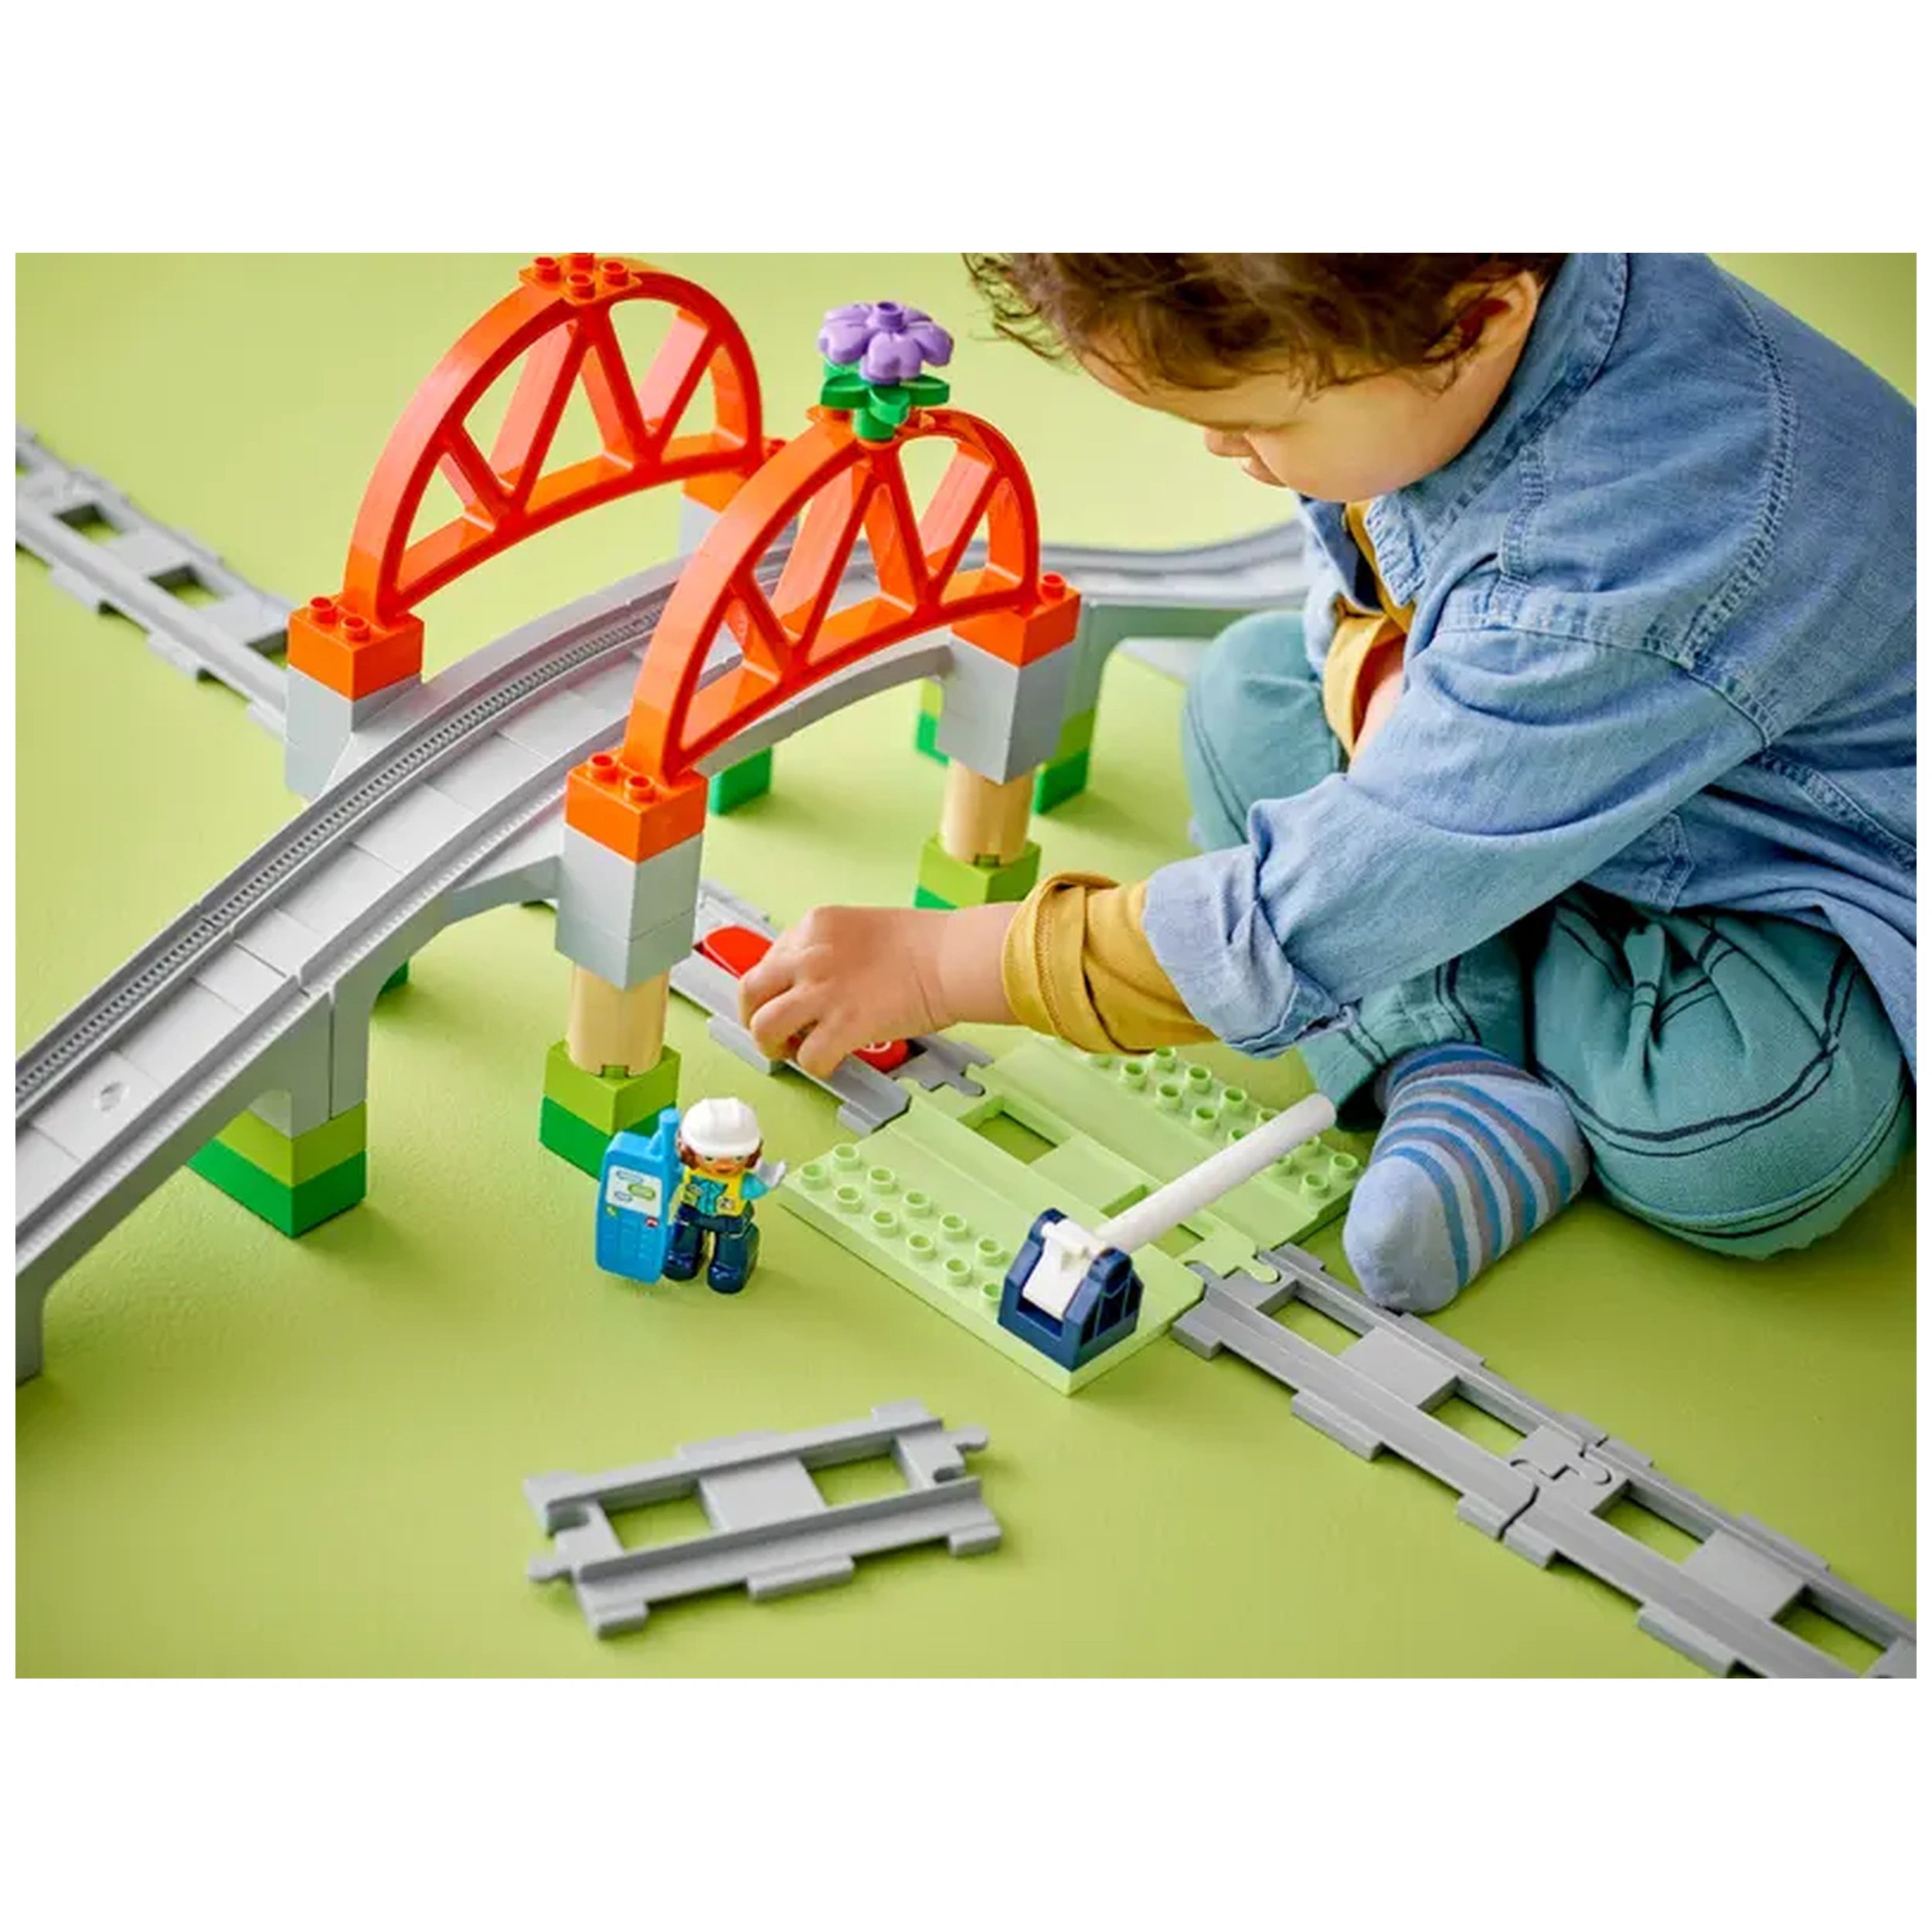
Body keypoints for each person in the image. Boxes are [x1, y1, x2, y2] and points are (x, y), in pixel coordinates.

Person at [739, 254, 1915, 1314]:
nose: (1224, 452)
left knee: (1756, 1133)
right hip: (1520, 747)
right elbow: (1367, 566)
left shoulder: (1624, 555)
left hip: (1762, 878)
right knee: (1248, 687)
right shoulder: (1445, 334)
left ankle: (1445, 1006)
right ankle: (1454, 1066)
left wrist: (952, 964)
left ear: (1481, 319)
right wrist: (1380, 668)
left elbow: (1298, 916)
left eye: (1255, 425)